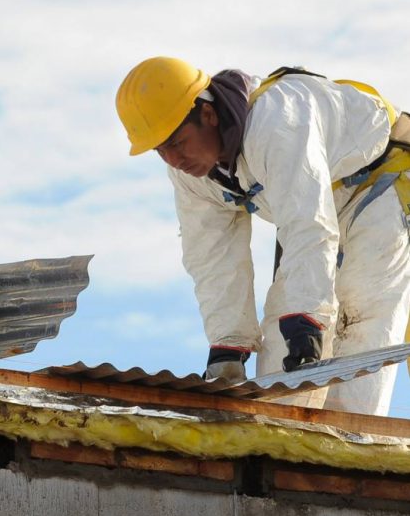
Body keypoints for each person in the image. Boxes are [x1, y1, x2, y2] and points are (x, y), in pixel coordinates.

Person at [116, 57, 410, 415]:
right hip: (320, 204)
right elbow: (211, 257)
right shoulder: (191, 174)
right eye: (160, 150)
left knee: (359, 317)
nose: (173, 159)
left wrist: (308, 318)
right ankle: (283, 456)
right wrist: (229, 344)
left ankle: (354, 448)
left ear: (208, 114)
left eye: (178, 143)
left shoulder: (277, 122)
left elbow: (307, 223)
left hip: (379, 186)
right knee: (280, 358)